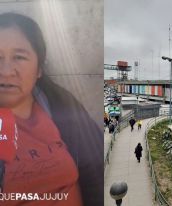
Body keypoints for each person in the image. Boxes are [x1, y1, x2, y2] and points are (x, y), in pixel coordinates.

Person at [0, 12, 103, 206]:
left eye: (19, 57)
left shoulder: (62, 104)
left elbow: (96, 170)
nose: (6, 71)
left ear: (39, 68)